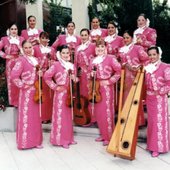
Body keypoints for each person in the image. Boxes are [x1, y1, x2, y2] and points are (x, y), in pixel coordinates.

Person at [11, 40, 43, 150]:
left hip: (36, 92)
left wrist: (40, 74)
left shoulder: (35, 60)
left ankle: (36, 141)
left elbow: (37, 76)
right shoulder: (21, 60)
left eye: (30, 47)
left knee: (35, 117)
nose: (28, 50)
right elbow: (14, 76)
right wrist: (23, 86)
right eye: (26, 48)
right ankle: (24, 143)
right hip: (25, 94)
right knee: (26, 117)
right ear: (23, 49)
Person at [44, 45, 77, 149]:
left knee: (68, 117)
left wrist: (74, 78)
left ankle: (69, 138)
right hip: (59, 95)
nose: (66, 55)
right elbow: (46, 76)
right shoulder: (56, 65)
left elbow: (75, 80)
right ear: (59, 54)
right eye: (64, 53)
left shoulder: (72, 65)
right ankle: (60, 140)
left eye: (68, 53)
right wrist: (54, 87)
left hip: (69, 94)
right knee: (60, 116)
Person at [89, 38, 121, 146]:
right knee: (99, 113)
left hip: (107, 89)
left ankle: (109, 136)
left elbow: (118, 71)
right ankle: (103, 135)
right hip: (96, 88)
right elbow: (89, 74)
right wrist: (91, 75)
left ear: (105, 48)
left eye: (102, 46)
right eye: (98, 46)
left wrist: (109, 81)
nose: (100, 48)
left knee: (107, 112)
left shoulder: (111, 58)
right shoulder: (92, 60)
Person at [118, 30, 149, 126]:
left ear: (132, 38)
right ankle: (126, 120)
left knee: (135, 99)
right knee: (125, 98)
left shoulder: (138, 48)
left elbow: (147, 60)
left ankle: (138, 121)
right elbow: (117, 63)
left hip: (135, 77)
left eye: (127, 37)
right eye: (124, 38)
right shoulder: (121, 50)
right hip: (123, 78)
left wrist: (138, 67)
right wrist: (124, 64)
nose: (125, 39)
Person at [144, 46, 170, 157]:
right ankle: (151, 145)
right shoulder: (147, 68)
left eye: (154, 54)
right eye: (150, 55)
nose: (152, 57)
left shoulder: (165, 67)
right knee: (152, 122)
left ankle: (158, 148)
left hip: (159, 99)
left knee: (158, 122)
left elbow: (169, 84)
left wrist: (160, 91)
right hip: (149, 99)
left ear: (159, 55)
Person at [74, 28, 96, 126]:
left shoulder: (92, 46)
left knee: (90, 94)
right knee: (82, 95)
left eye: (85, 35)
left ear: (88, 36)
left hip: (90, 74)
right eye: (82, 35)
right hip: (80, 75)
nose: (83, 37)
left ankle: (92, 118)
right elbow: (75, 63)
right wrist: (75, 75)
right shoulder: (77, 48)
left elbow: (97, 59)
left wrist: (93, 72)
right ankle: (83, 115)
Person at [33, 31, 56, 123]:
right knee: (41, 95)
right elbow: (32, 60)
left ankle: (50, 116)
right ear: (39, 39)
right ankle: (42, 117)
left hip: (49, 75)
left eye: (46, 38)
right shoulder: (35, 48)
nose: (44, 40)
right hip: (39, 75)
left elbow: (56, 61)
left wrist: (52, 62)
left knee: (50, 96)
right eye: (43, 38)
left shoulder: (52, 50)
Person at [0, 23, 24, 107]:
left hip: (19, 62)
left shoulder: (21, 39)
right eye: (12, 29)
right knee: (11, 81)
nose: (14, 31)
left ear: (18, 30)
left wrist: (21, 51)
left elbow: (25, 50)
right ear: (9, 30)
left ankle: (20, 100)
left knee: (19, 80)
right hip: (10, 63)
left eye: (15, 29)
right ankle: (13, 102)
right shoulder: (4, 39)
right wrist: (6, 56)